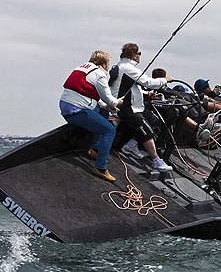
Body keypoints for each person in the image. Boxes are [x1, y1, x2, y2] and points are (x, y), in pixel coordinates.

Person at [59, 50, 124, 181]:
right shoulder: (100, 74)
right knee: (109, 130)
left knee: (102, 113)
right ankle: (100, 168)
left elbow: (91, 95)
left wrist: (106, 106)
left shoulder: (83, 68)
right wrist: (118, 102)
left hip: (65, 106)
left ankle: (95, 148)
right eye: (108, 63)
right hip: (77, 111)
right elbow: (110, 99)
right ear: (104, 64)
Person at [110, 43, 173, 172]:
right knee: (144, 128)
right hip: (125, 108)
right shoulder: (127, 68)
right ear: (133, 55)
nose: (140, 56)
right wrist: (164, 80)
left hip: (136, 107)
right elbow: (148, 82)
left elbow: (133, 87)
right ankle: (156, 160)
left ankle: (131, 146)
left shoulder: (123, 66)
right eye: (139, 54)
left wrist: (146, 94)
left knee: (155, 121)